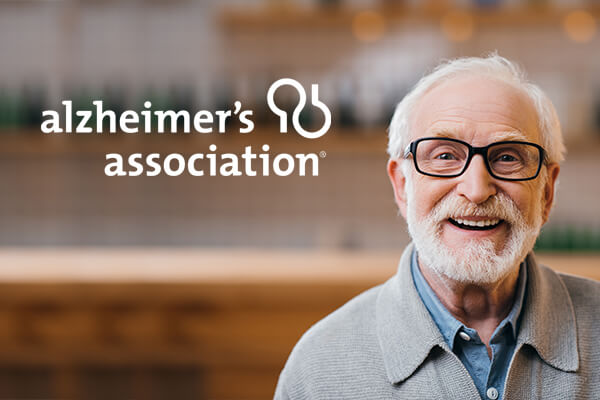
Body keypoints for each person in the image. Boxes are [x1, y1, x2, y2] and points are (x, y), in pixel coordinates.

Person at [274, 54, 600, 400]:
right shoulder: (319, 368)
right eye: (445, 156)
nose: (476, 190)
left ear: (546, 192)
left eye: (507, 157)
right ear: (402, 185)